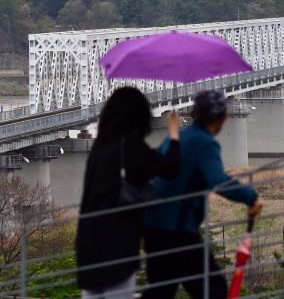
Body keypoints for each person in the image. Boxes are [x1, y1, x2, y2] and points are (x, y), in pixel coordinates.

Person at [142, 90, 264, 299]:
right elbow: (216, 179)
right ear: (224, 117)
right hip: (178, 231)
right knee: (213, 290)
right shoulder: (205, 143)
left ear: (192, 114)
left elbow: (151, 172)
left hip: (153, 227)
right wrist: (251, 197)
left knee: (160, 290)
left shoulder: (177, 137)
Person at [76, 87, 182, 299]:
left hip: (87, 242)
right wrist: (173, 133)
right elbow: (170, 168)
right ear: (139, 116)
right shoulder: (130, 145)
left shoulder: (100, 147)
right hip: (117, 242)